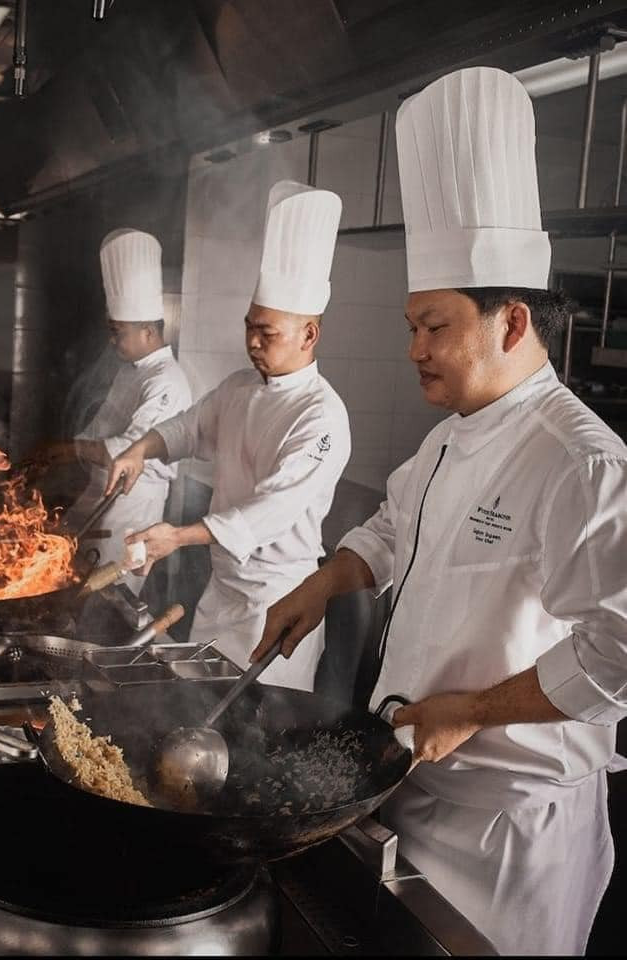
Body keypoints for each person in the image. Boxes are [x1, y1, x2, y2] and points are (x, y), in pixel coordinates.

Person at [250, 67, 627, 955]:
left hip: (508, 830)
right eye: (410, 327)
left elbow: (618, 651)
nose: (414, 349)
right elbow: (392, 529)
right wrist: (324, 582)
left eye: (435, 327)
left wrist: (476, 709)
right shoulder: (452, 435)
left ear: (510, 323)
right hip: (413, 787)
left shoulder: (579, 461)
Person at [105, 180, 351, 690]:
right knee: (195, 713)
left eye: (268, 333)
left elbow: (269, 511)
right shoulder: (240, 387)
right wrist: (140, 449)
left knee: (257, 729)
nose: (253, 343)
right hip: (222, 594)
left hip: (276, 601)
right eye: (249, 327)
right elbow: (188, 427)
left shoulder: (321, 415)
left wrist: (178, 537)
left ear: (309, 334)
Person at [43, 228, 191, 594]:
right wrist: (68, 453)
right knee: (71, 593)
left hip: (132, 512)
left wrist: (68, 449)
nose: (112, 341)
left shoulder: (167, 381)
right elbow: (99, 430)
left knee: (109, 602)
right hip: (98, 501)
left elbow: (128, 449)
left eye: (118, 332)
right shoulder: (130, 372)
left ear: (148, 331)